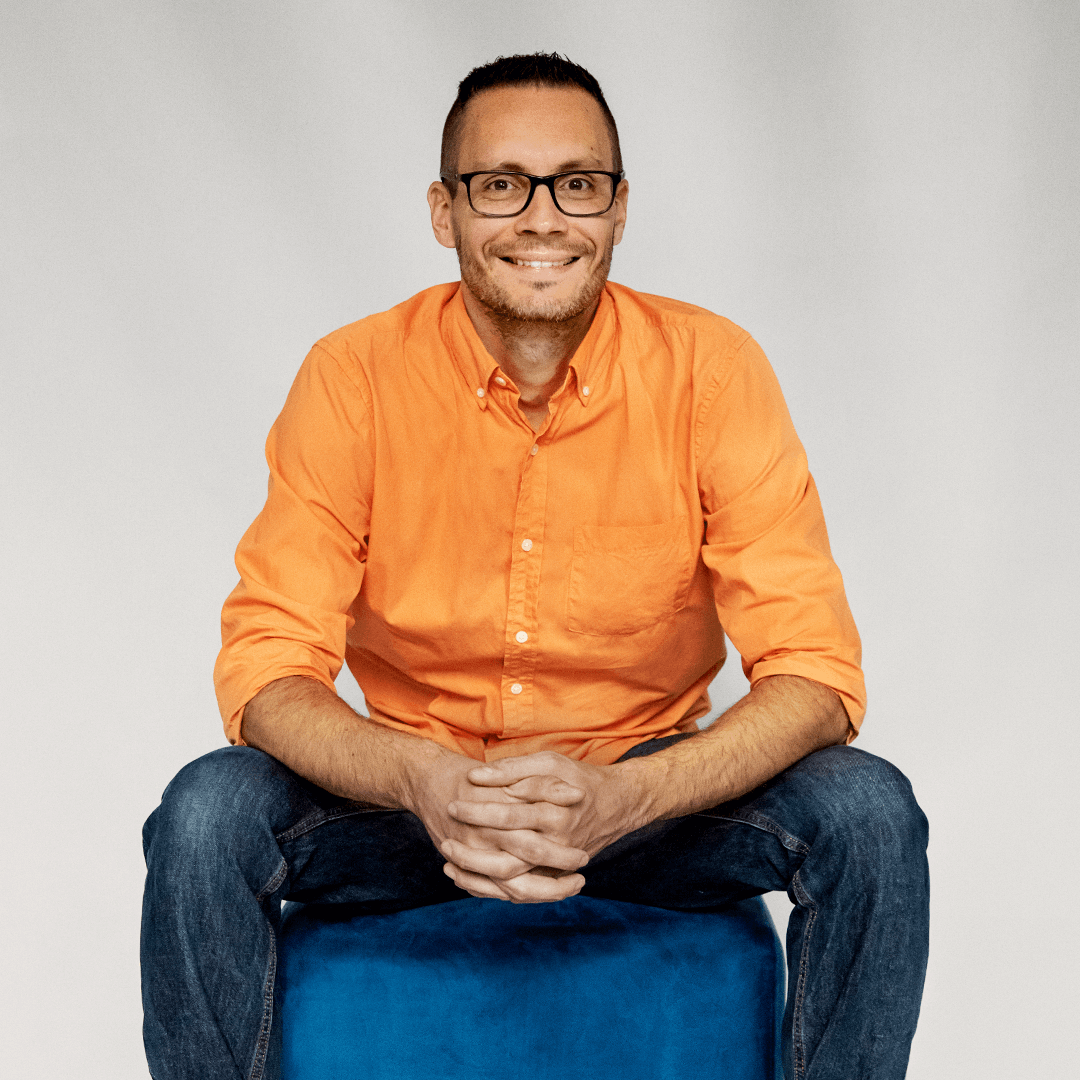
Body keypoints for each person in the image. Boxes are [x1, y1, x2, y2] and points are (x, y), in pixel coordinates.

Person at [141, 52, 929, 1080]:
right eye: (501, 184)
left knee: (869, 813)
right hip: (411, 804)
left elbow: (818, 676)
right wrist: (424, 780)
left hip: (643, 800)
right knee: (206, 812)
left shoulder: (712, 369)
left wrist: (627, 800)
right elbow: (264, 671)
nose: (543, 219)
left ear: (618, 207)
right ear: (444, 209)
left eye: (578, 184)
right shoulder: (354, 377)